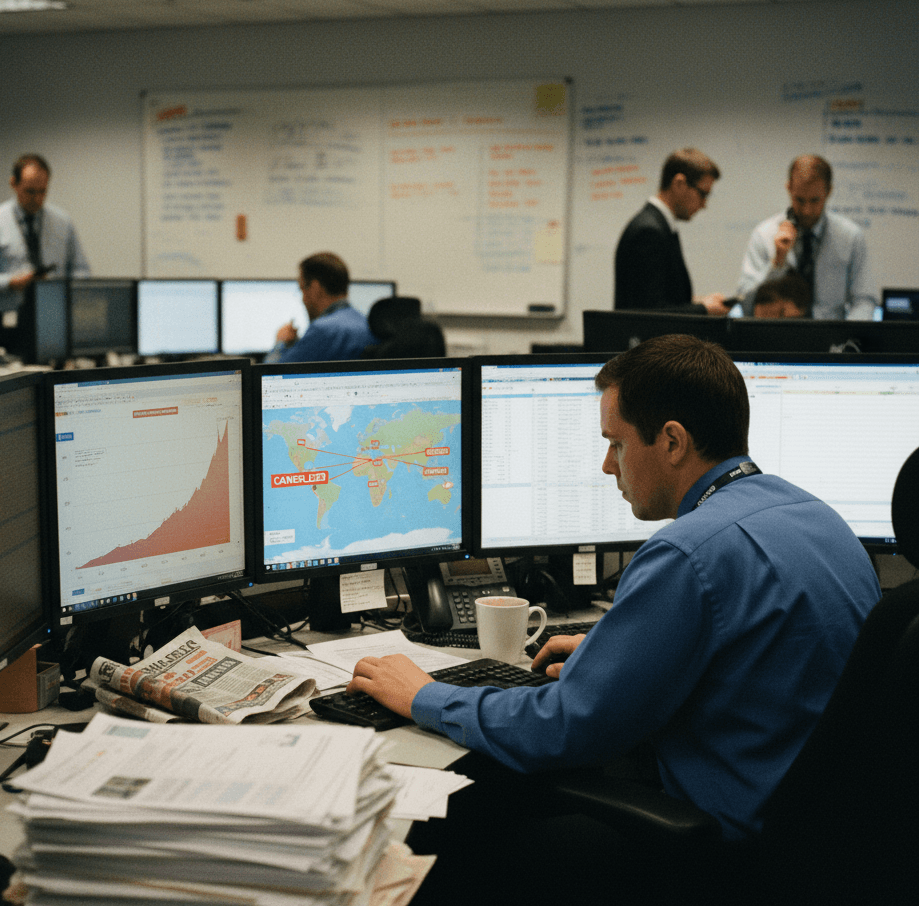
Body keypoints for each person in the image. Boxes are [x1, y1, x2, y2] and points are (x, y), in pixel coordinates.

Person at [349, 334, 881, 841]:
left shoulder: (687, 553)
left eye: (616, 444)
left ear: (672, 441)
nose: (607, 466)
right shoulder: (816, 517)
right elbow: (765, 662)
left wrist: (425, 696)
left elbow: (561, 730)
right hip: (825, 841)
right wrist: (617, 653)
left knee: (481, 840)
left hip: (728, 851)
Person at [736, 154, 877, 320]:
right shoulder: (764, 234)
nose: (807, 210)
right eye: (800, 200)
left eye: (815, 200)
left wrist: (847, 339)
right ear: (789, 188)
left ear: (829, 191)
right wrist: (777, 263)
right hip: (776, 337)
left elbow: (864, 301)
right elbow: (745, 303)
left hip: (831, 337)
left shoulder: (850, 237)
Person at [0, 154, 90, 319]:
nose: (37, 199)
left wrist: (60, 285)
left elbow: (81, 270)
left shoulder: (63, 223)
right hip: (7, 317)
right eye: (30, 191)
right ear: (14, 184)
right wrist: (10, 282)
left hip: (53, 314)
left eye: (43, 191)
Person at [613, 149, 729, 315]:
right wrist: (704, 309)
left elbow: (659, 297)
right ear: (679, 184)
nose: (704, 205)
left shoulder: (659, 225)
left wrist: (698, 302)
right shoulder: (649, 231)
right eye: (703, 194)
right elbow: (648, 312)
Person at [265, 252, 373, 363]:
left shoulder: (323, 330)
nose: (303, 299)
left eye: (302, 289)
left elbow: (269, 374)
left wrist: (280, 342)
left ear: (315, 288)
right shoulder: (367, 324)